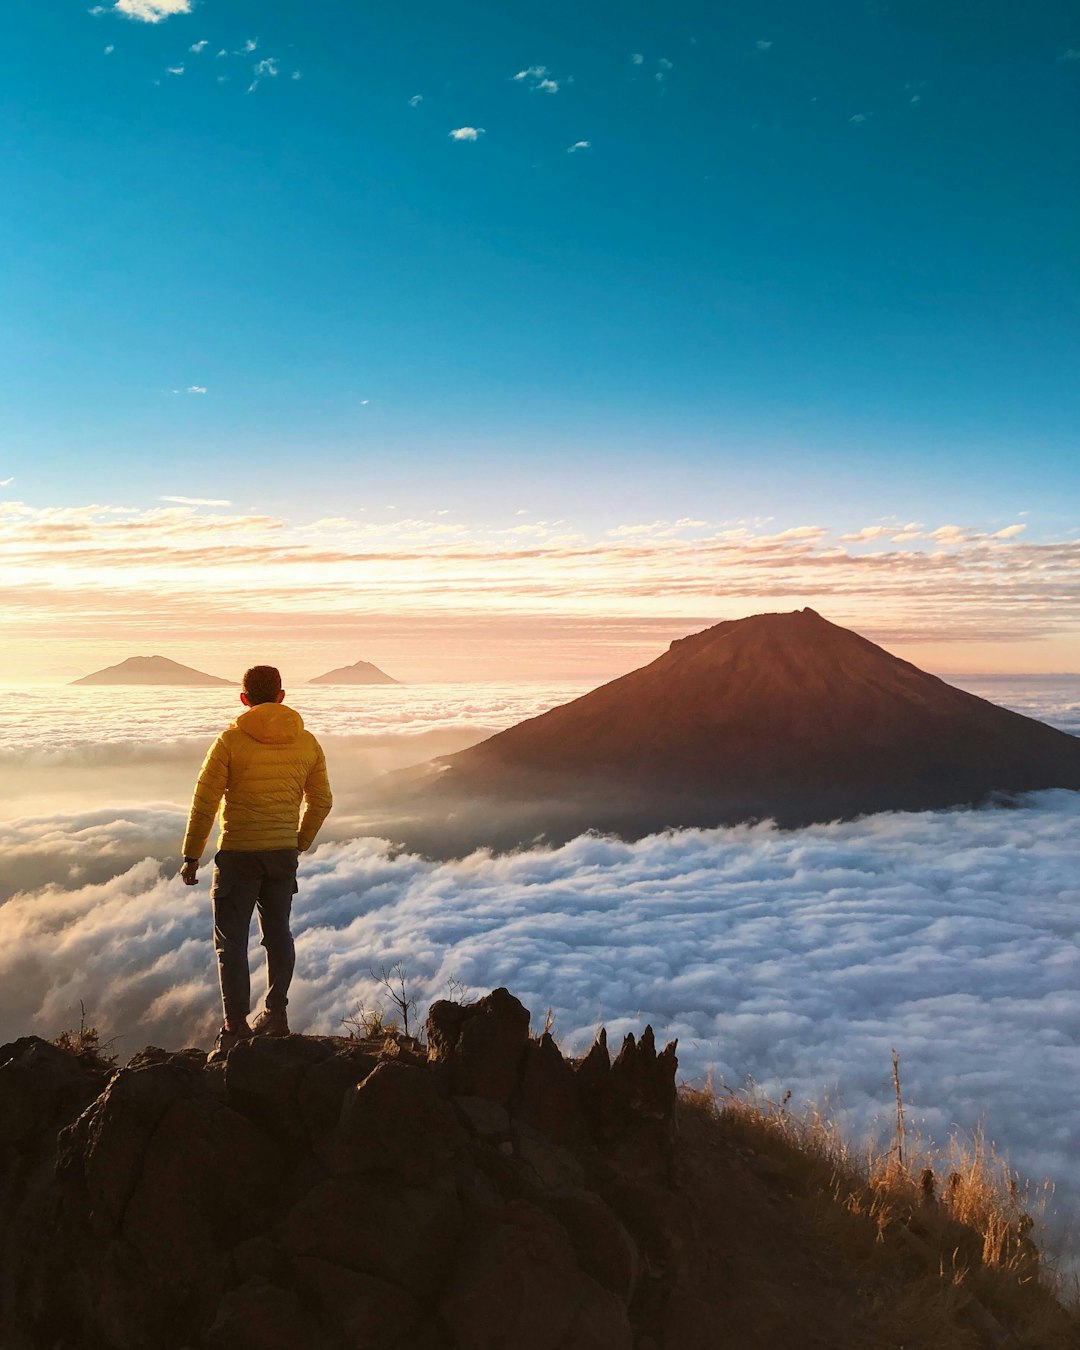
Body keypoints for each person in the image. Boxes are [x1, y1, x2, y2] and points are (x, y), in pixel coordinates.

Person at [180, 664, 333, 1061]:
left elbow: (206, 803)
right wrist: (297, 842)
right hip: (282, 855)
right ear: (282, 695)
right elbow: (322, 801)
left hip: (238, 855)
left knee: (231, 942)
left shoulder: (229, 741)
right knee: (278, 933)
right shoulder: (308, 743)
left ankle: (235, 1027)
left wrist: (192, 856)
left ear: (244, 698)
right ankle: (276, 1014)